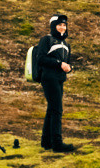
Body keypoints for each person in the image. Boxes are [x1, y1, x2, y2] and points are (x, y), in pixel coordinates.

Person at [30, 13, 78, 153]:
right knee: (57, 110)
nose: (62, 27)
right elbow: (41, 59)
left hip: (59, 79)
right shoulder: (46, 40)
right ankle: (57, 144)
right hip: (48, 77)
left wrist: (69, 67)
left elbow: (67, 62)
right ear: (53, 26)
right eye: (59, 25)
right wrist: (59, 64)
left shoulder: (66, 44)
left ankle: (46, 141)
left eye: (64, 25)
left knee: (52, 109)